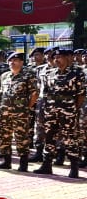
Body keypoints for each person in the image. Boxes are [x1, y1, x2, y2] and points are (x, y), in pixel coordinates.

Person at [34, 48, 84, 177]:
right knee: (49, 138)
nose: (57, 60)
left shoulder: (77, 73)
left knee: (70, 138)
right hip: (51, 111)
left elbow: (81, 95)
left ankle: (74, 167)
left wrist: (73, 109)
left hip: (68, 112)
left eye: (60, 57)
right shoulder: (50, 73)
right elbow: (45, 93)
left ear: (67, 58)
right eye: (55, 58)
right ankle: (47, 165)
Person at [0, 52, 37, 172]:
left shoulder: (28, 75)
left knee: (21, 137)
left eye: (15, 60)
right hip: (4, 112)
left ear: (21, 62)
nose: (12, 63)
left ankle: (23, 164)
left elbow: (34, 94)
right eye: (10, 61)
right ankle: (6, 162)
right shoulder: (4, 76)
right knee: (4, 136)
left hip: (21, 113)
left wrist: (26, 108)